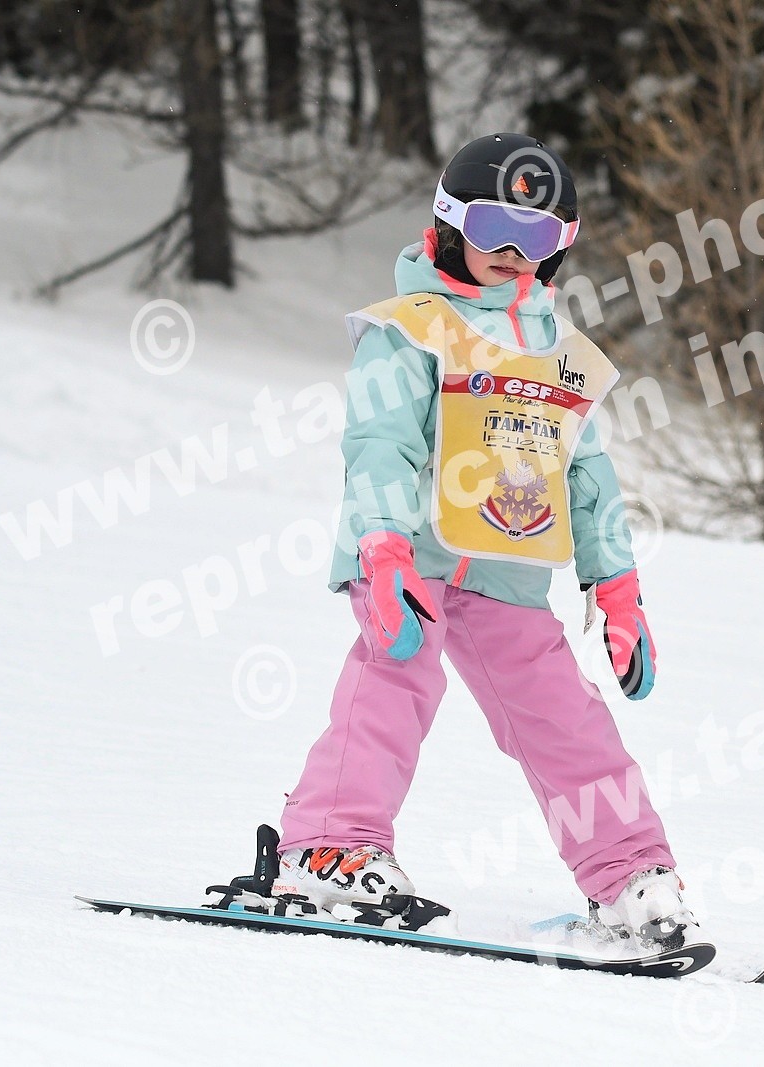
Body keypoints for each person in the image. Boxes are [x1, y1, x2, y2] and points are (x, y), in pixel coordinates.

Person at [270, 133, 694, 949]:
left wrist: (617, 590)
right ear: (450, 221)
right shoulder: (412, 328)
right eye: (495, 227)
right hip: (407, 562)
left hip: (506, 572)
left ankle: (629, 873)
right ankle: (329, 846)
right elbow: (380, 446)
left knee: (564, 715)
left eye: (537, 237)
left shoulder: (558, 355)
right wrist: (383, 550)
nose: (512, 252)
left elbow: (587, 476)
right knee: (394, 683)